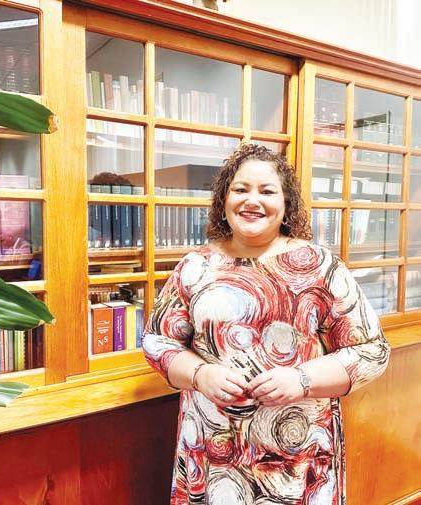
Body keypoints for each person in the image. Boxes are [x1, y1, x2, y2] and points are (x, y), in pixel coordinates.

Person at [143, 143, 390, 504]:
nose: (252, 201)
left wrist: (301, 380)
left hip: (297, 460)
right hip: (212, 455)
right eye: (240, 189)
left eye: (267, 191)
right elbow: (157, 340)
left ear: (286, 202)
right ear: (224, 200)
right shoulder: (196, 266)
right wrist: (200, 374)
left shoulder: (320, 267)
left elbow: (372, 351)